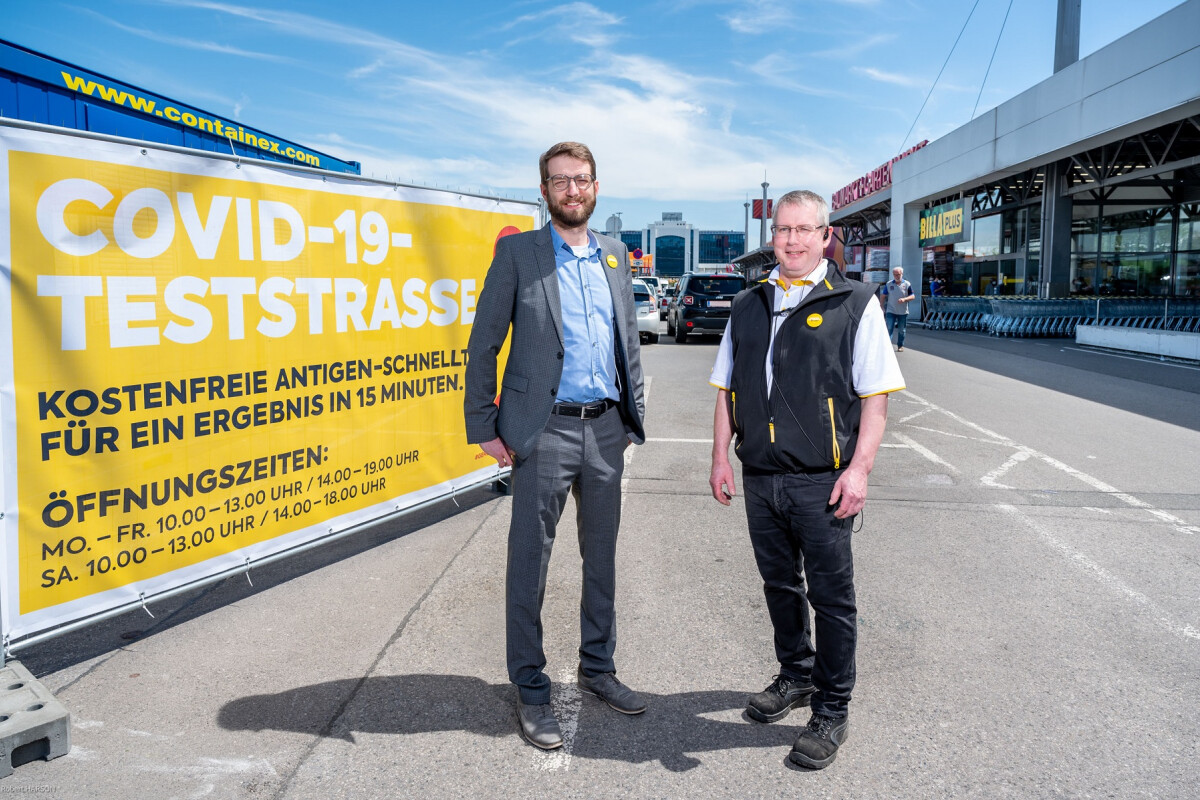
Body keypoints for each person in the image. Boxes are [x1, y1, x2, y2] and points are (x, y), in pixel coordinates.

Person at [708, 190, 904, 770]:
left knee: (832, 599)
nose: (791, 240)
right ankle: (795, 675)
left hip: (824, 481)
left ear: (825, 236)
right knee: (779, 587)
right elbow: (726, 390)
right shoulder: (748, 303)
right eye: (782, 230)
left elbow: (875, 400)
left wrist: (860, 470)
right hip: (761, 475)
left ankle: (832, 707)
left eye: (803, 229)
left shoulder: (855, 302)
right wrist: (721, 457)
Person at [463, 141, 647, 751]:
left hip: (605, 431)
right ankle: (531, 688)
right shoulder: (518, 254)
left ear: (597, 187)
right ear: (543, 190)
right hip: (543, 430)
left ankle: (598, 668)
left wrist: (630, 416)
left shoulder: (616, 255)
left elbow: (628, 343)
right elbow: (483, 343)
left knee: (602, 558)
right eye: (561, 181)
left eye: (583, 179)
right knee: (530, 563)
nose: (574, 190)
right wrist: (485, 426)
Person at [880, 266, 915, 351]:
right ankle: (887, 346)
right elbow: (883, 295)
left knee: (901, 330)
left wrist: (904, 299)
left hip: (902, 311)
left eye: (898, 274)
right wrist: (881, 307)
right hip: (891, 310)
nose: (896, 276)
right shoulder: (889, 284)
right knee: (889, 328)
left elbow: (913, 296)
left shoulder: (907, 284)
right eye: (895, 274)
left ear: (902, 274)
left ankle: (900, 345)